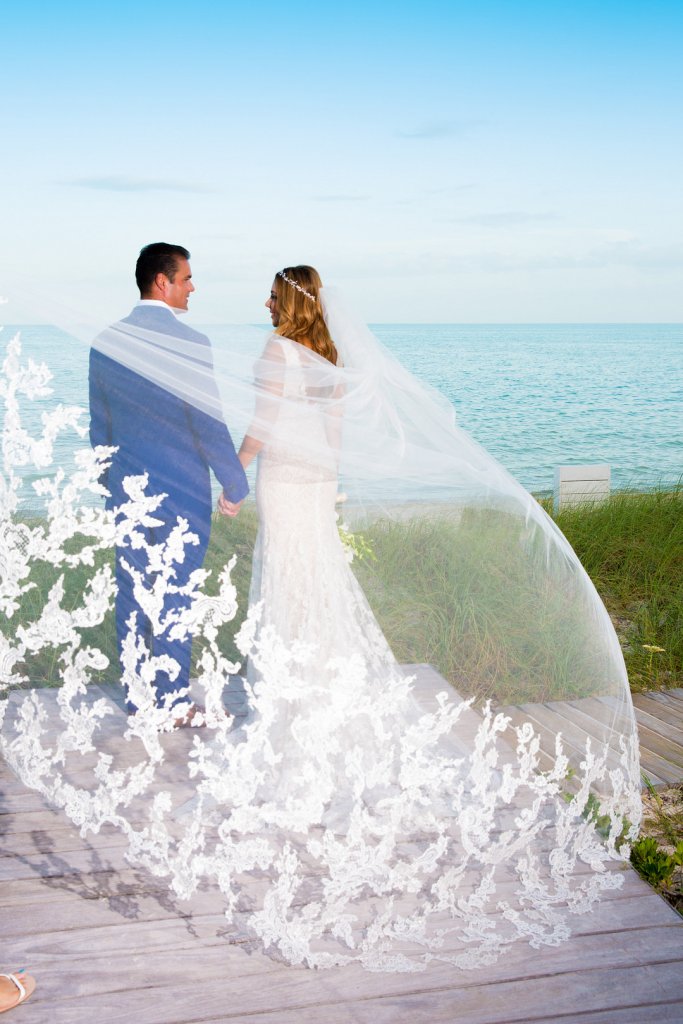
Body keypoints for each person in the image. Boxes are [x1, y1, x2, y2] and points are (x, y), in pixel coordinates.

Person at [88, 243, 248, 719]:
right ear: (163, 281)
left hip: (127, 492)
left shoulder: (105, 340)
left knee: (134, 592)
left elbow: (100, 428)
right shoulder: (191, 343)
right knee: (176, 591)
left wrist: (108, 487)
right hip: (182, 490)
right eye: (187, 279)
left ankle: (139, 700)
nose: (192, 287)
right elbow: (208, 421)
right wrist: (234, 483)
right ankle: (173, 702)